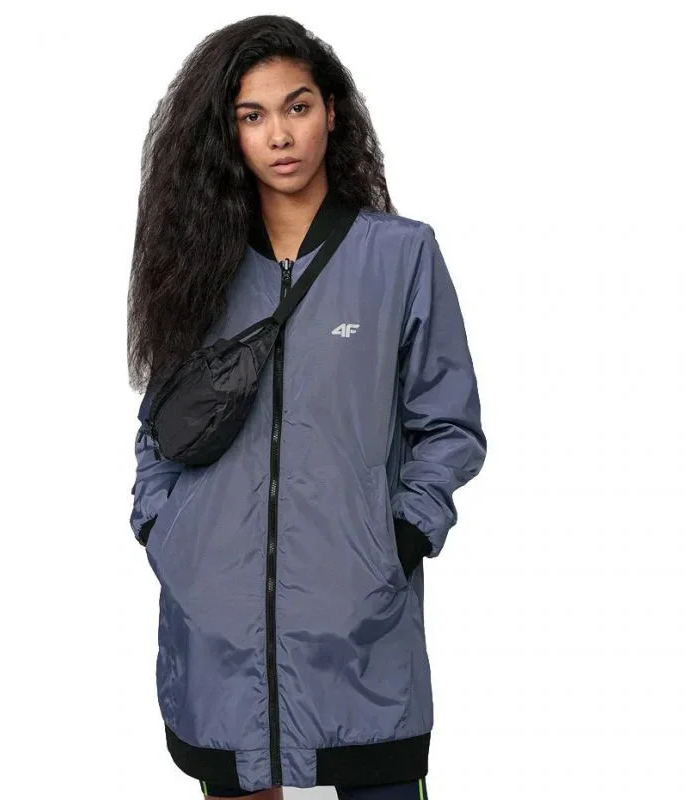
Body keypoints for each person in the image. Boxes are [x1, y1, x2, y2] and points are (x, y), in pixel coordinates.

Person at [127, 14, 487, 800]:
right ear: (228, 135)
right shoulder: (197, 266)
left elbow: (449, 424)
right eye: (252, 116)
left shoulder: (401, 255)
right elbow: (160, 429)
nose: (280, 135)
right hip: (218, 635)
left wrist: (397, 542)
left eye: (297, 107)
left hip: (358, 634)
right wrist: (165, 531)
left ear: (331, 111)